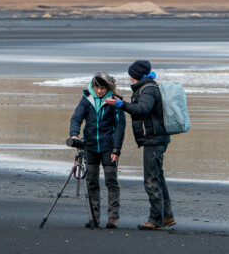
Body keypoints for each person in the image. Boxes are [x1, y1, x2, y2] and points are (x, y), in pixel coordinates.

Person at [105, 60, 175, 230]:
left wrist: (121, 105)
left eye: (131, 74)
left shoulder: (148, 90)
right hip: (157, 138)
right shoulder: (149, 87)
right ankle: (167, 217)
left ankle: (156, 220)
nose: (130, 77)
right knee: (158, 177)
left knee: (151, 180)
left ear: (136, 75)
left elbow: (142, 109)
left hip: (154, 139)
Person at [70, 72, 126, 229]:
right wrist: (74, 134)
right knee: (92, 182)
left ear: (108, 87)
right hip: (90, 147)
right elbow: (76, 118)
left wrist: (117, 149)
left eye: (103, 88)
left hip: (109, 148)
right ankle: (93, 217)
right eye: (97, 87)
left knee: (111, 181)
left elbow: (120, 127)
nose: (99, 91)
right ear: (92, 86)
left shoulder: (115, 101)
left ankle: (113, 217)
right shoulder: (86, 99)